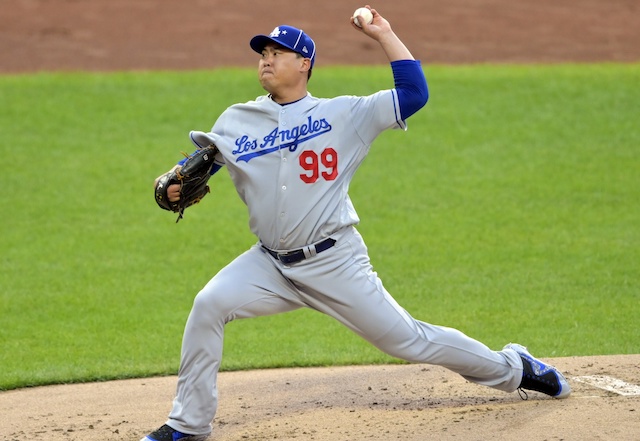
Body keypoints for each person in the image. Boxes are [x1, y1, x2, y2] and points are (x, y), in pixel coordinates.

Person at [142, 6, 570, 441]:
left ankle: (516, 368)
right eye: (262, 53)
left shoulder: (345, 115)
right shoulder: (236, 120)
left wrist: (384, 34)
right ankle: (188, 424)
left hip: (334, 262)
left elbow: (413, 93)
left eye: (278, 52)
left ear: (305, 63)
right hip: (269, 264)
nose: (266, 60)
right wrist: (170, 186)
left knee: (409, 341)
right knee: (208, 304)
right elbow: (195, 168)